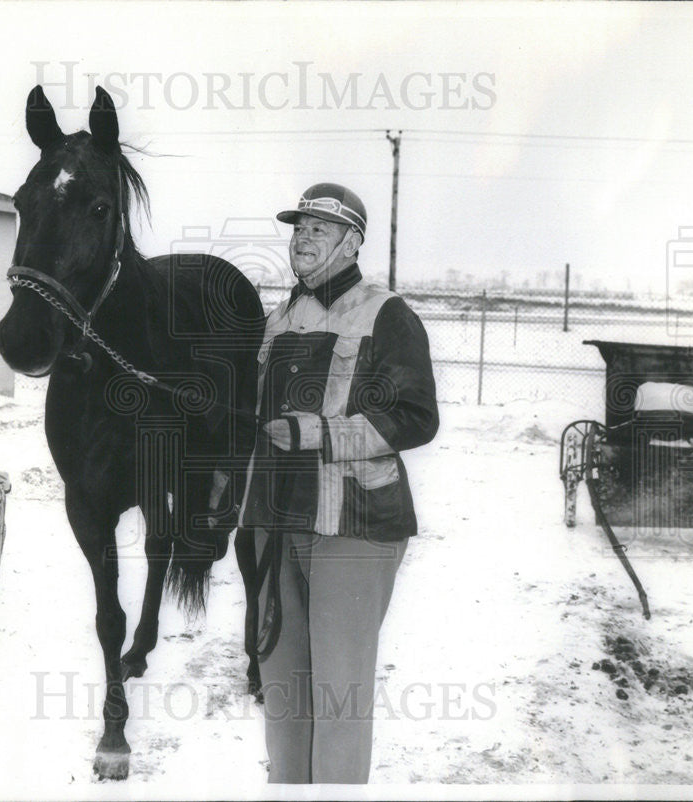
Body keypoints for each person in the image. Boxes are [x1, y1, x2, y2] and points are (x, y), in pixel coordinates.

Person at [238, 182, 439, 784]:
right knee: (283, 693)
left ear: (352, 243)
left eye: (317, 229)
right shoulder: (282, 317)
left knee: (340, 698)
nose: (301, 239)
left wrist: (320, 435)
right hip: (276, 527)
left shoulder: (389, 315)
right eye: (298, 228)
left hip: (354, 531)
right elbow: (255, 414)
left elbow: (416, 418)